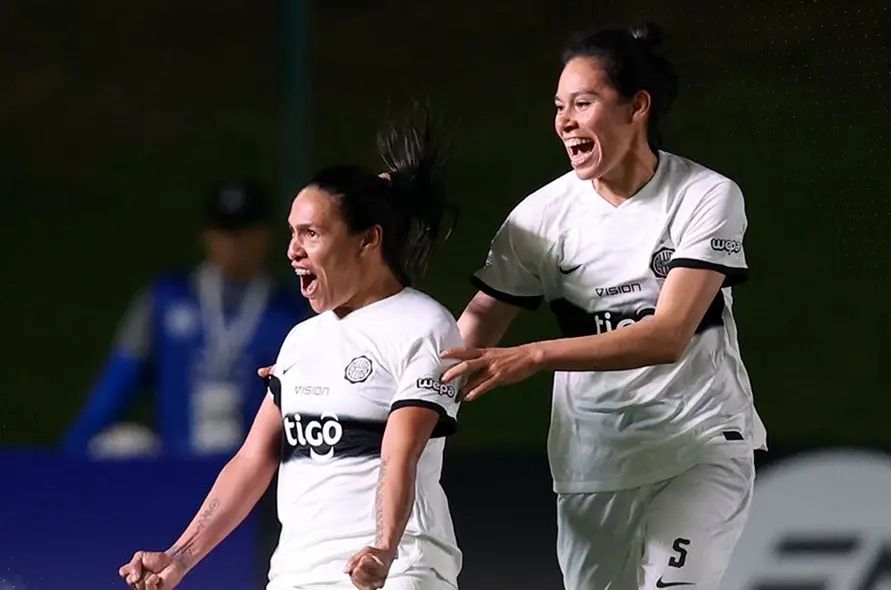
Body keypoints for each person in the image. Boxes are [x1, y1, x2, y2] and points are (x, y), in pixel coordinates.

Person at [440, 23, 767, 590]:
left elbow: (667, 336)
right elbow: (470, 332)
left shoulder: (705, 196)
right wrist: (378, 366)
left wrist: (537, 354)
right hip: (594, 462)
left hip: (700, 444)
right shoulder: (540, 218)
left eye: (583, 103)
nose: (564, 121)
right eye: (559, 107)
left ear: (636, 106)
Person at [118, 108, 464, 590]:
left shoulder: (424, 325)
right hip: (297, 576)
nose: (292, 250)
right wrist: (179, 557)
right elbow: (253, 459)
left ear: (368, 240)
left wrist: (384, 549)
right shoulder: (303, 339)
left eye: (312, 234)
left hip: (396, 571)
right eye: (291, 233)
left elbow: (400, 450)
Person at [63, 181, 308, 458]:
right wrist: (69, 458)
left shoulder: (292, 313)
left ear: (266, 235)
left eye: (245, 231)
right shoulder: (164, 301)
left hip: (261, 478)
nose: (234, 243)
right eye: (224, 231)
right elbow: (115, 386)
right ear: (206, 235)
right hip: (178, 473)